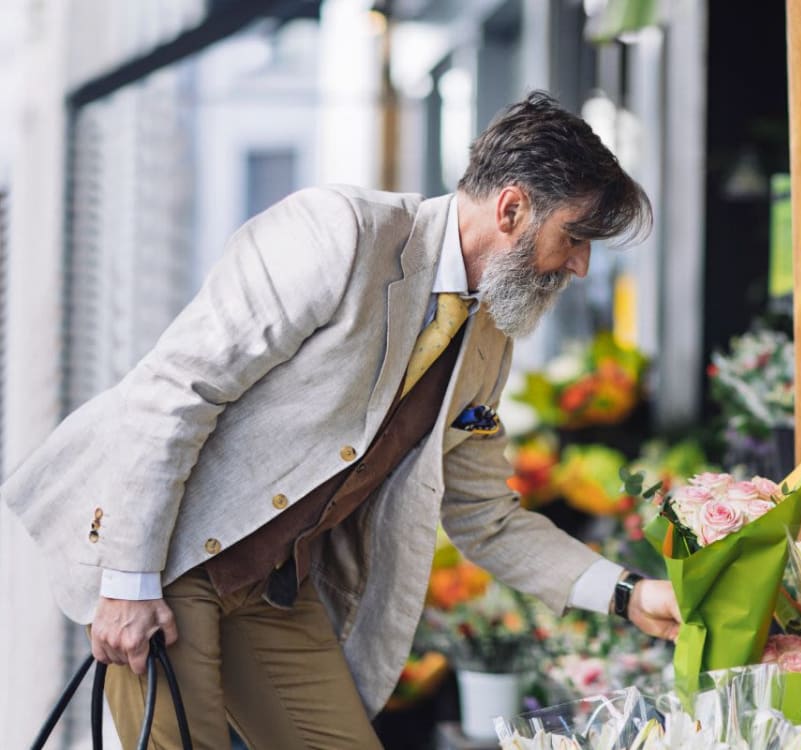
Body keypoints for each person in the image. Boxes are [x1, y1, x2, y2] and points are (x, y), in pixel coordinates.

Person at [2, 90, 680, 749]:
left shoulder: (488, 341)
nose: (582, 265)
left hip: (276, 588)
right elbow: (176, 389)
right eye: (577, 236)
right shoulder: (340, 234)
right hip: (171, 557)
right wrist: (126, 584)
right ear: (512, 208)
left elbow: (485, 515)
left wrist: (628, 595)